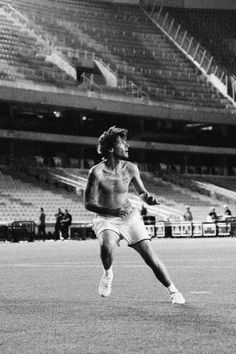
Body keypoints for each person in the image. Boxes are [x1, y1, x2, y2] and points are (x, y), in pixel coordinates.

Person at [84, 126, 185, 304]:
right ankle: (108, 274)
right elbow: (89, 203)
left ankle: (173, 291)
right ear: (110, 149)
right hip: (107, 217)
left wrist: (149, 199)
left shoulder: (131, 168)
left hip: (129, 217)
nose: (127, 146)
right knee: (106, 246)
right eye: (122, 143)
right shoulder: (96, 172)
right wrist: (113, 212)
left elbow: (142, 193)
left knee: (150, 257)